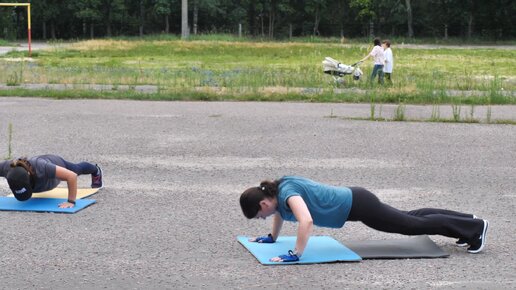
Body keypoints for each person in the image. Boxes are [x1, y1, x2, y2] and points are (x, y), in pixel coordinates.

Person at [240, 176, 489, 263]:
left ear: (263, 204)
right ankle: (467, 221)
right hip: (357, 200)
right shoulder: (278, 192)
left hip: (359, 205)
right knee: (409, 217)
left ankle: (475, 228)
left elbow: (305, 222)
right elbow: (281, 214)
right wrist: (273, 237)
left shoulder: (288, 194)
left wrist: (296, 253)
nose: (264, 218)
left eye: (260, 215)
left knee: (411, 226)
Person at [1, 154, 103, 208]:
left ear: (28, 175)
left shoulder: (42, 168)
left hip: (53, 162)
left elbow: (72, 176)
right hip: (38, 169)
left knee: (77, 169)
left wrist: (71, 202)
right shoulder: (6, 168)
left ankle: (96, 170)